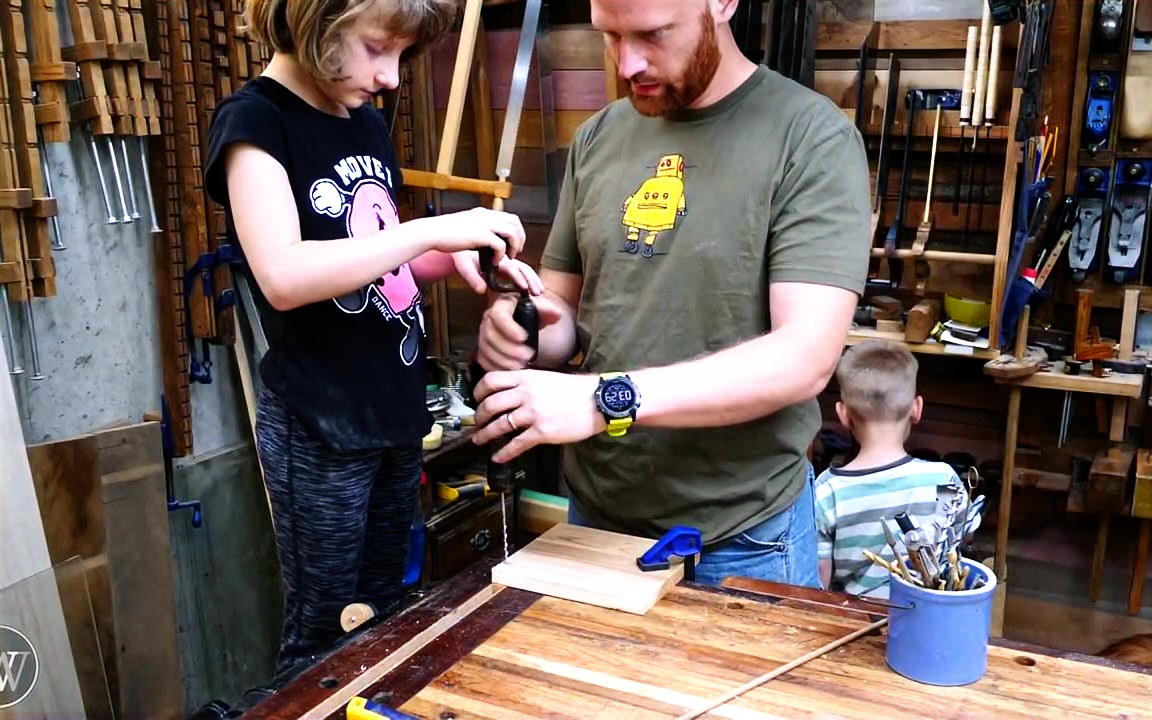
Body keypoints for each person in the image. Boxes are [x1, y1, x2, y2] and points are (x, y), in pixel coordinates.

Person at [470, 0, 871, 589]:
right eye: (610, 36)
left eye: (653, 34)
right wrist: (520, 328)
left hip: (741, 538)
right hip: (597, 517)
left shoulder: (811, 138)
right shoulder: (599, 137)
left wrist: (604, 400)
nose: (628, 63)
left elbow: (804, 359)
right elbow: (564, 315)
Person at [203, 0, 542, 684]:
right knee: (326, 630)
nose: (389, 77)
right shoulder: (255, 123)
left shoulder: (362, 121)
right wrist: (428, 230)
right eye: (376, 49)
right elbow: (286, 276)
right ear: (315, 22)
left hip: (391, 413)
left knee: (384, 610)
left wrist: (456, 256)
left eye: (402, 57)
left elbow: (375, 258)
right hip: (321, 424)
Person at [814, 340, 967, 598]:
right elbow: (957, 542)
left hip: (857, 624)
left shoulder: (826, 493)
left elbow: (820, 583)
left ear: (842, 414)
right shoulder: (944, 479)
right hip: (932, 619)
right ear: (916, 409)